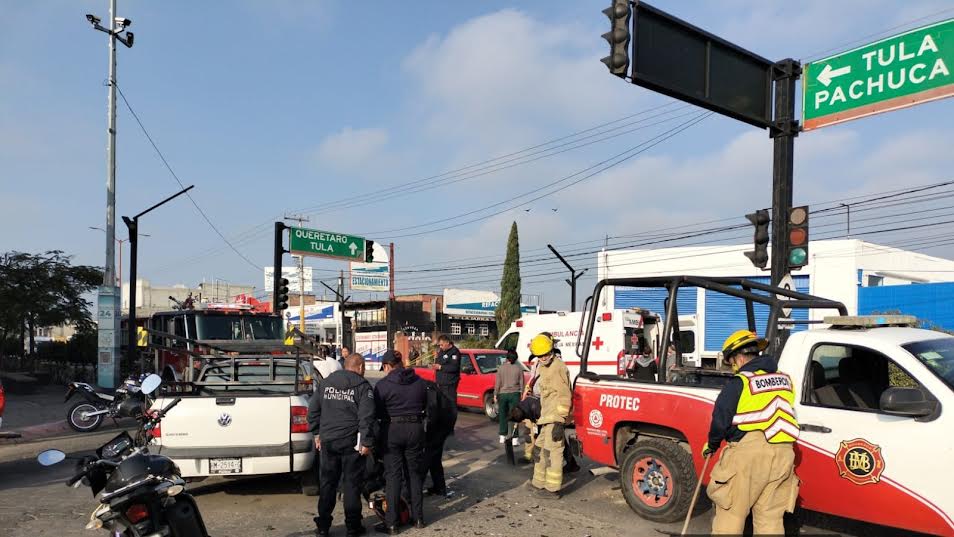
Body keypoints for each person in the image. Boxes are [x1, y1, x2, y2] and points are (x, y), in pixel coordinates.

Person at [703, 330, 800, 535]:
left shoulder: (741, 382)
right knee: (770, 521)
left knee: (730, 516)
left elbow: (721, 419)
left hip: (749, 456)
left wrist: (711, 445)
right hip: (783, 454)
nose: (734, 368)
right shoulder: (785, 380)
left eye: (732, 363)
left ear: (738, 358)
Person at [307, 353, 376, 537]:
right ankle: (353, 527)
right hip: (351, 442)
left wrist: (316, 433)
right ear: (360, 367)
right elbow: (367, 417)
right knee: (351, 484)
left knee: (328, 484)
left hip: (329, 441)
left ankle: (323, 526)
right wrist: (367, 442)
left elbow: (313, 410)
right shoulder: (362, 387)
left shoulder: (325, 383)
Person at [373, 351, 427, 534]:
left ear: (387, 365)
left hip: (392, 431)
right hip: (415, 429)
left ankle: (393, 523)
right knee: (414, 474)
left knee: (393, 476)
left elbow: (377, 413)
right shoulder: (419, 382)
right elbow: (425, 405)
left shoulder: (382, 385)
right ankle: (418, 518)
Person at [528, 333, 572, 498]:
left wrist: (560, 422)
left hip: (555, 418)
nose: (544, 358)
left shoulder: (558, 367)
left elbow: (564, 395)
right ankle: (538, 482)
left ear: (552, 350)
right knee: (540, 449)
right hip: (545, 417)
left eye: (546, 354)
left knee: (553, 452)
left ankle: (553, 490)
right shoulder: (543, 367)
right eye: (540, 356)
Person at [422, 378, 455, 497]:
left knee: (426, 459)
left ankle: (414, 491)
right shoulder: (430, 388)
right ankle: (440, 488)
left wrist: (426, 434)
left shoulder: (428, 390)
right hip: (443, 425)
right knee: (435, 459)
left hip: (439, 428)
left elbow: (431, 414)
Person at [494, 350, 525, 444]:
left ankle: (502, 436)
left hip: (502, 394)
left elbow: (497, 383)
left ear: (507, 357)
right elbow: (522, 383)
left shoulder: (501, 368)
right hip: (515, 394)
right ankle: (515, 438)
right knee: (515, 415)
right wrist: (522, 394)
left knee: (503, 415)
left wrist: (495, 394)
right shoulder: (518, 368)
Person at [431, 335, 461, 431]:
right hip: (440, 383)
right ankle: (442, 426)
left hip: (449, 384)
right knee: (441, 406)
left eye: (442, 345)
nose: (440, 347)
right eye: (439, 345)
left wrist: (440, 367)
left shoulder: (455, 353)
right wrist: (435, 359)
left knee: (451, 406)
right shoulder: (441, 351)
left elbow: (454, 368)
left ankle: (450, 427)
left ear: (448, 343)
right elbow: (438, 363)